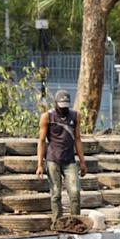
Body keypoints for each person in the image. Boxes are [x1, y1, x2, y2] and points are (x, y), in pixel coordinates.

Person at [36, 90, 87, 221]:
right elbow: (41, 141)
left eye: (66, 105)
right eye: (61, 105)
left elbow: (77, 139)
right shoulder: (47, 117)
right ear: (55, 103)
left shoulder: (75, 116)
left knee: (75, 192)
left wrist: (82, 162)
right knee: (56, 194)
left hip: (69, 160)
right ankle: (57, 222)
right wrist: (40, 164)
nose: (63, 109)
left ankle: (75, 221)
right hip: (53, 160)